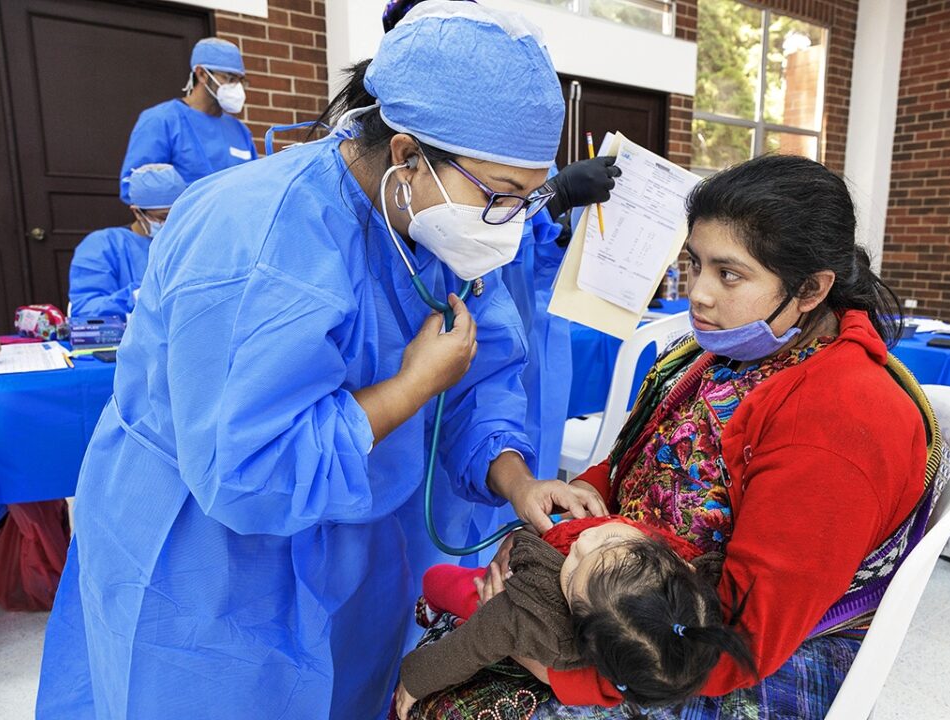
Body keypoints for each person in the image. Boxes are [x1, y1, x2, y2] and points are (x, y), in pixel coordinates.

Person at [36, 4, 605, 719]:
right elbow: (251, 468)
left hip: (357, 538)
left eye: (526, 199)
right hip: (207, 558)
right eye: (500, 197)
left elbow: (480, 376)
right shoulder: (256, 241)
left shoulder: (436, 229)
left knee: (351, 692)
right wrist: (409, 387)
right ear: (406, 155)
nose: (511, 223)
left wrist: (518, 479)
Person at [412, 155, 948, 718]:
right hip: (632, 597)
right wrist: (553, 540)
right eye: (697, 264)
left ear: (811, 289)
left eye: (730, 274)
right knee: (455, 637)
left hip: (709, 655)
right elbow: (634, 466)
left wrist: (539, 657)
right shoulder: (719, 355)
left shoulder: (840, 421)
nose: (700, 295)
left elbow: (745, 644)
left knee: (458, 694)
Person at [383, 0, 622, 482]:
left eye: (525, 196)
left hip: (514, 349)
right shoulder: (402, 184)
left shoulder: (505, 148)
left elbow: (523, 263)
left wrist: (555, 227)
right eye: (507, 194)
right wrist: (552, 198)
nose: (513, 212)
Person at [393, 516, 753, 718]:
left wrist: (414, 680)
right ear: (678, 563)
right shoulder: (674, 580)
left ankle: (432, 604)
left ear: (578, 627)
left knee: (442, 582)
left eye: (575, 568)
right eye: (609, 540)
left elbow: (466, 648)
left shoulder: (529, 613)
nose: (583, 543)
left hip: (500, 598)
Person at [118, 38, 256, 204]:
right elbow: (133, 187)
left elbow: (253, 185)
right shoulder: (161, 120)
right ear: (202, 74)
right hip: (185, 226)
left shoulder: (239, 131)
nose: (237, 87)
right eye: (230, 78)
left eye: (241, 80)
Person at [69, 164, 186, 318]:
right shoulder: (103, 245)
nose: (171, 224)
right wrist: (136, 296)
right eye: (163, 217)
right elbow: (86, 308)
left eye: (177, 216)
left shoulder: (188, 242)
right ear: (137, 212)